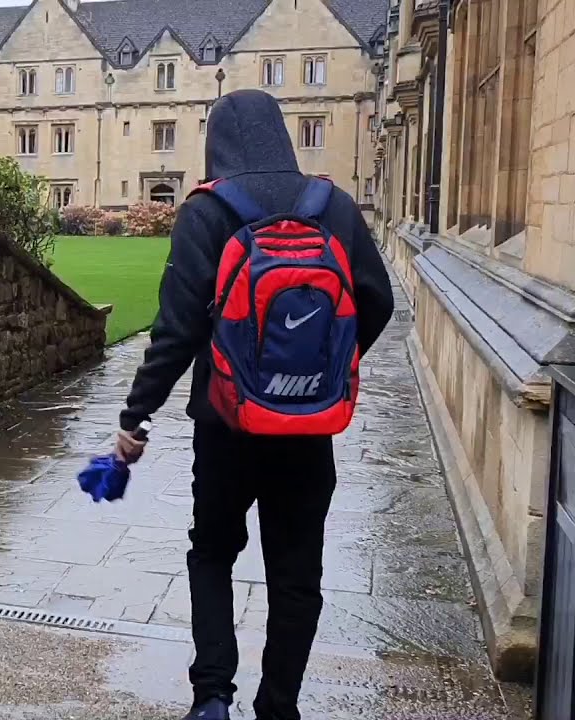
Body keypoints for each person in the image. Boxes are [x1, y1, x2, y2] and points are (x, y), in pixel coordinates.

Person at [114, 90, 394, 720]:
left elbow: (177, 330)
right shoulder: (335, 207)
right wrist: (327, 370)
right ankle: (278, 706)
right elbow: (377, 303)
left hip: (225, 425)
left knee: (212, 551)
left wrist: (136, 416)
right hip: (307, 431)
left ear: (218, 142)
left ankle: (212, 697)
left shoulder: (206, 212)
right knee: (296, 574)